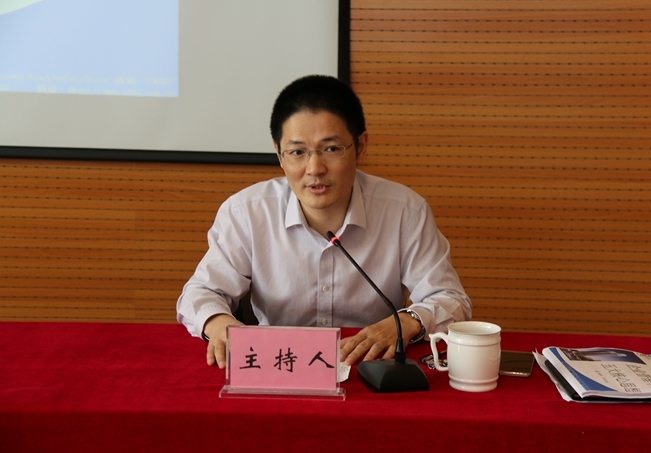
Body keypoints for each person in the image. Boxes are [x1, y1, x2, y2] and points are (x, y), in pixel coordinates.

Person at [177, 75, 472, 369]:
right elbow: (200, 293)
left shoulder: (405, 211)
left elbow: (450, 299)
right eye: (297, 152)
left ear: (360, 146)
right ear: (279, 153)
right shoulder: (246, 213)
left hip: (369, 366)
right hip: (280, 366)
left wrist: (404, 323)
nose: (315, 168)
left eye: (331, 149)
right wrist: (220, 325)